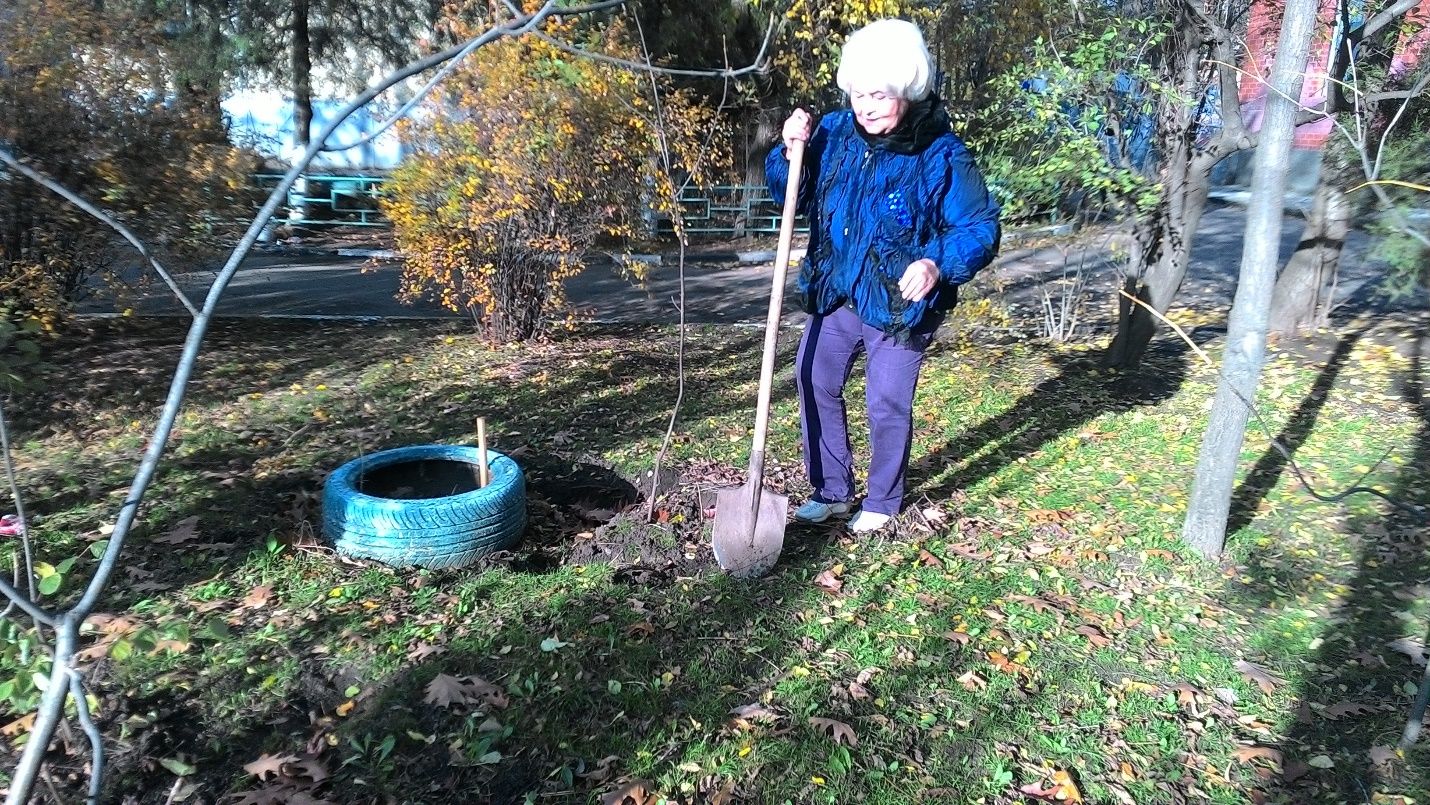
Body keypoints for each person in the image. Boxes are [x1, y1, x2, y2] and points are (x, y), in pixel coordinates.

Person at [765, 18, 1001, 533]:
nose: (866, 106)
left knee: (887, 401)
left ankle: (882, 500)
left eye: (879, 95)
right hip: (838, 288)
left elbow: (979, 227)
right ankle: (831, 491)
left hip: (899, 302)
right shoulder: (832, 133)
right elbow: (790, 192)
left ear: (907, 92)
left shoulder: (941, 154)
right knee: (813, 377)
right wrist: (789, 151)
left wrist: (937, 263)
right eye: (858, 93)